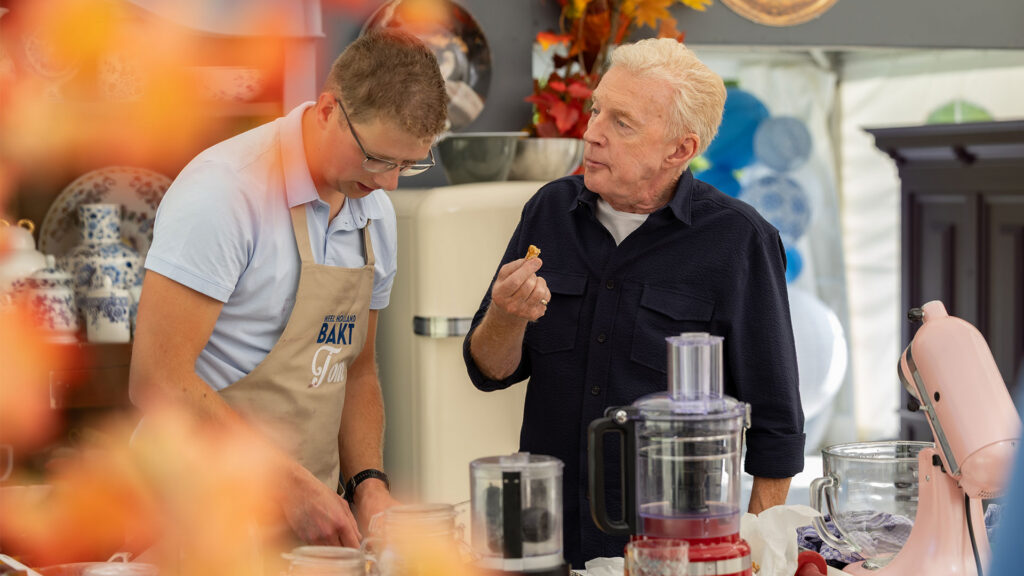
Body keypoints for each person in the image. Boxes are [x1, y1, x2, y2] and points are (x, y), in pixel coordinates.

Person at [463, 38, 803, 566]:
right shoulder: (548, 211)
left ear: (679, 150)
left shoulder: (740, 240)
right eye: (597, 109)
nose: (592, 132)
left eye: (621, 123)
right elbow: (489, 370)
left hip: (672, 553)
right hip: (543, 540)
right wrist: (504, 316)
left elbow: (777, 428)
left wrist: (756, 555)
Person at [130, 29, 448, 548]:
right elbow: (156, 379)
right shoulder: (225, 193)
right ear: (327, 110)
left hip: (308, 528)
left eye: (408, 164)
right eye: (377, 158)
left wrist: (368, 484)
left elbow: (356, 367)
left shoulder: (376, 215)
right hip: (192, 521)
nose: (389, 183)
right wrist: (287, 484)